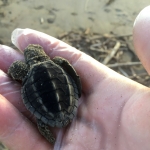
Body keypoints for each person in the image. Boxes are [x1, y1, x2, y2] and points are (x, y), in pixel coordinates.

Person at [0, 6, 150, 150]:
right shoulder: (57, 61)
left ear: (27, 59)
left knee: (41, 121)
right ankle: (49, 134)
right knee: (43, 116)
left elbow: (13, 70)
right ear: (42, 53)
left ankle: (49, 138)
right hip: (68, 104)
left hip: (45, 107)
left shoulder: (25, 69)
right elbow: (70, 72)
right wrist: (77, 88)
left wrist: (13, 76)